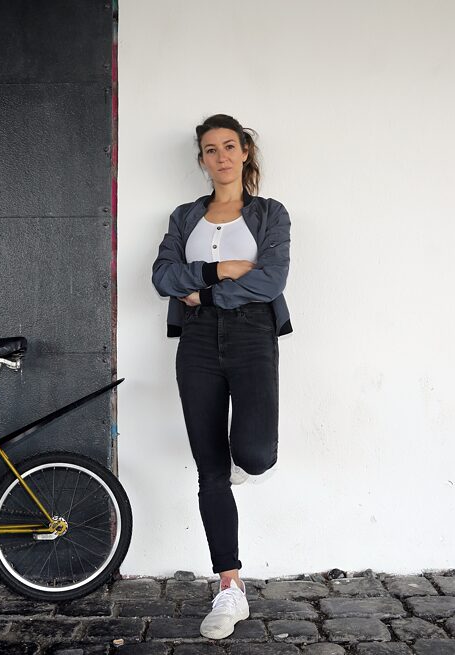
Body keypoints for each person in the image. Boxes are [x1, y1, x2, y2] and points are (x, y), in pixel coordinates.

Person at [151, 114, 293, 639]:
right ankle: (229, 587)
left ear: (245, 151)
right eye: (211, 149)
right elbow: (162, 277)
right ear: (202, 160)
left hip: (252, 335)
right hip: (196, 342)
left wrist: (205, 292)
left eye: (230, 146)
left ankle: (246, 463)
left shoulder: (269, 213)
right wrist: (223, 269)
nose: (221, 156)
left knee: (254, 455)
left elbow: (271, 281)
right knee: (210, 470)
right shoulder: (185, 216)